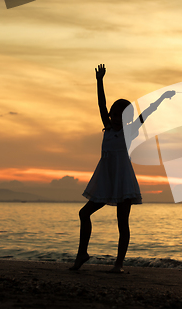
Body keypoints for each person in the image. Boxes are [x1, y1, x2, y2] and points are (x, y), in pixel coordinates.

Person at [70, 64, 175, 272]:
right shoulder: (108, 128)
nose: (116, 118)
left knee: (122, 223)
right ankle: (82, 253)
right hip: (105, 178)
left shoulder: (130, 131)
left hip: (123, 179)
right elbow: (101, 104)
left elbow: (148, 112)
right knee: (84, 214)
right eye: (113, 114)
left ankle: (119, 264)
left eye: (121, 115)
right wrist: (100, 81)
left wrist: (162, 98)